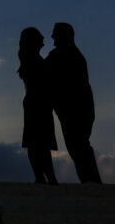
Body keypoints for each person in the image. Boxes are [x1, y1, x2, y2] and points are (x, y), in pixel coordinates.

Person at [45, 22, 102, 183]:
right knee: (78, 147)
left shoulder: (64, 55)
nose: (52, 36)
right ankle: (91, 181)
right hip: (75, 111)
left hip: (74, 112)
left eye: (55, 33)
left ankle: (92, 182)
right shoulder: (65, 54)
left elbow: (44, 74)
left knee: (79, 147)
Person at [17, 27, 58, 184]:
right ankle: (47, 177)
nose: (44, 37)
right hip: (37, 103)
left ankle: (43, 177)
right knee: (39, 142)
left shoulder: (32, 58)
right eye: (40, 35)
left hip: (37, 102)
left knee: (37, 142)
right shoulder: (33, 59)